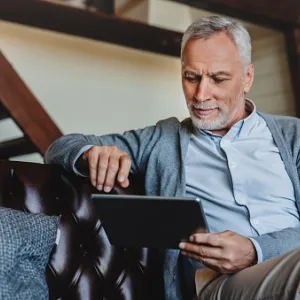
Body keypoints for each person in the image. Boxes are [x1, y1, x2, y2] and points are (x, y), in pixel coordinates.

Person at [45, 16, 300, 300]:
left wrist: (256, 250)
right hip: (220, 286)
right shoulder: (162, 140)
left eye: (218, 78)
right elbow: (61, 147)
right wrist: (91, 153)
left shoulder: (293, 136)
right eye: (191, 77)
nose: (201, 94)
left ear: (248, 78)